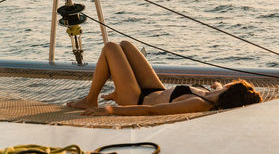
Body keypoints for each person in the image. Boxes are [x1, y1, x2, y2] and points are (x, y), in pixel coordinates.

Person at [67, 41, 262, 116]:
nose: (227, 83)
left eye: (232, 84)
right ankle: (111, 91)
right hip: (156, 90)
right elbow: (219, 87)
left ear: (230, 90)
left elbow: (152, 111)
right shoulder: (213, 94)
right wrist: (219, 86)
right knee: (125, 45)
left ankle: (90, 99)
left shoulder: (198, 103)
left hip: (138, 99)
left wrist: (108, 111)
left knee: (111, 48)